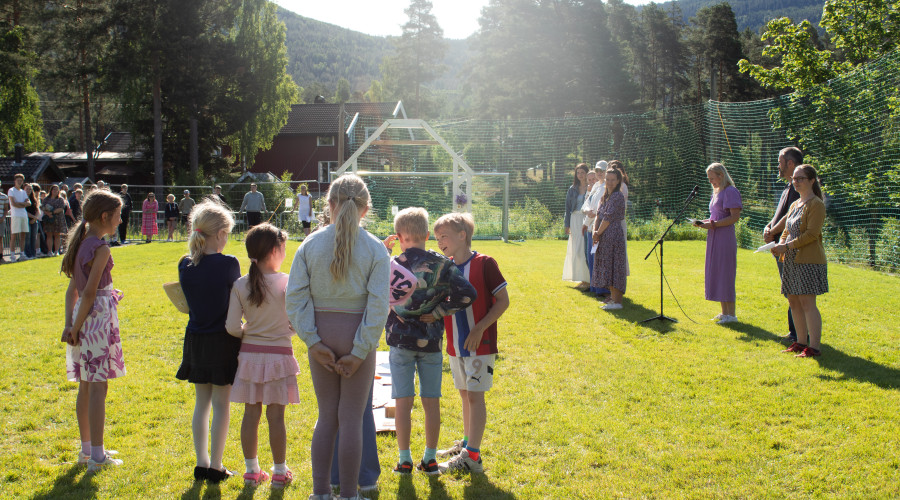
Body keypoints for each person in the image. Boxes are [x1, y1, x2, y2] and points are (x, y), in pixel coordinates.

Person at [285, 174, 389, 500]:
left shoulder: (309, 245)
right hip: (358, 337)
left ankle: (319, 493)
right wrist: (360, 350)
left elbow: (295, 299)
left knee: (327, 416)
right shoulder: (375, 249)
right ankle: (348, 495)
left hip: (323, 339)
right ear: (365, 208)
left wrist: (313, 342)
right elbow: (378, 305)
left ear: (328, 205)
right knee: (351, 419)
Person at [383, 207, 476, 476]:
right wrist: (438, 312)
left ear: (399, 236)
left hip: (399, 342)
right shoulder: (443, 264)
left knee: (403, 400)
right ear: (426, 234)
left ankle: (404, 460)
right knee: (431, 400)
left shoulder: (392, 263)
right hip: (431, 342)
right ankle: (430, 459)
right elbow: (468, 294)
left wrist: (383, 250)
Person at [432, 212, 509, 474]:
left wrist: (479, 328)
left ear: (462, 235)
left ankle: (472, 457)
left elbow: (503, 301)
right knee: (465, 395)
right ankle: (466, 443)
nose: (439, 241)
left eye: (444, 236)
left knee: (475, 397)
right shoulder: (445, 266)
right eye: (437, 237)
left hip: (480, 344)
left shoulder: (485, 263)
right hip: (455, 343)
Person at [225, 224, 298, 488]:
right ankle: (279, 472)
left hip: (249, 358)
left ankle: (251, 472)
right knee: (276, 417)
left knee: (250, 414)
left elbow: (232, 327)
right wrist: (286, 331)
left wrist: (250, 331)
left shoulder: (240, 284)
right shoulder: (288, 281)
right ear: (275, 251)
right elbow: (298, 322)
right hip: (280, 357)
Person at [59, 189, 126, 472]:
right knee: (99, 386)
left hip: (82, 319)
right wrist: (75, 326)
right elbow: (87, 293)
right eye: (118, 215)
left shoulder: (82, 244)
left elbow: (71, 293)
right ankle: (97, 457)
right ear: (105, 217)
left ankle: (88, 450)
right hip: (94, 321)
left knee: (87, 385)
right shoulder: (100, 248)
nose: (121, 220)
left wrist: (70, 325)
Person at [176, 200, 241, 483]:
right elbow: (239, 301)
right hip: (222, 340)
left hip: (196, 339)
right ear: (221, 234)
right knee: (221, 404)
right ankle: (216, 465)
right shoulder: (229, 263)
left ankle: (202, 463)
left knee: (201, 403)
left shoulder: (184, 264)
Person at [772, 164, 828, 358]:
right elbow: (786, 229)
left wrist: (786, 246)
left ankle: (814, 347)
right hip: (791, 259)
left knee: (807, 302)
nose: (795, 182)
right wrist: (779, 243)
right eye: (794, 179)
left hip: (809, 260)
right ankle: (800, 342)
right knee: (793, 301)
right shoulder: (796, 204)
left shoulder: (816, 204)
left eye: (800, 178)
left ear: (812, 180)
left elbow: (812, 234)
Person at [695, 163, 742, 324]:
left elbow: (734, 217)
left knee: (725, 273)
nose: (711, 182)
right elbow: (716, 215)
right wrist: (704, 222)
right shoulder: (717, 192)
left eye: (712, 178)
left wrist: (713, 224)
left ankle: (732, 314)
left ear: (721, 176)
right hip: (714, 237)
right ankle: (724, 312)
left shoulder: (730, 191)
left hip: (725, 237)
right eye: (709, 179)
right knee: (717, 272)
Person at [763, 146, 802, 344]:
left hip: (791, 247)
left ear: (790, 163)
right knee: (790, 291)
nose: (778, 166)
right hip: (780, 247)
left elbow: (790, 217)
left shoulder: (799, 188)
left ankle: (799, 335)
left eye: (780, 162)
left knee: (795, 292)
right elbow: (779, 214)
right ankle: (795, 333)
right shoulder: (788, 187)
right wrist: (768, 227)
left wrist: (774, 231)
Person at [591, 168, 627, 310]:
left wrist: (598, 233)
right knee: (607, 265)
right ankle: (612, 299)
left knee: (615, 266)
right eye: (608, 179)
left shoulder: (617, 196)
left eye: (613, 180)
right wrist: (595, 231)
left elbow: (608, 218)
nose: (610, 182)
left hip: (613, 235)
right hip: (603, 234)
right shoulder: (605, 196)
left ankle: (617, 302)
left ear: (618, 181)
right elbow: (598, 216)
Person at [562, 163, 591, 289]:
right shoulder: (572, 188)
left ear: (587, 173)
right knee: (576, 250)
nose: (580, 175)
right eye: (578, 173)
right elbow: (567, 208)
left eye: (582, 173)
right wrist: (566, 224)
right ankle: (581, 279)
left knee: (584, 249)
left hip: (586, 219)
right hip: (574, 219)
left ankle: (588, 280)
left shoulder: (592, 187)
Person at [7, 173, 31, 262]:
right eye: (18, 180)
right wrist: (23, 204)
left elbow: (28, 203)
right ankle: (12, 255)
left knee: (23, 235)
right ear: (15, 181)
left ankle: (22, 253)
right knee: (14, 236)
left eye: (21, 181)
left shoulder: (23, 192)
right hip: (15, 215)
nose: (19, 182)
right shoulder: (11, 190)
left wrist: (20, 204)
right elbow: (13, 204)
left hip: (23, 215)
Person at [43, 184, 68, 256]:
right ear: (51, 190)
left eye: (57, 190)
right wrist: (48, 214)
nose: (55, 191)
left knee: (57, 235)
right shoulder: (46, 199)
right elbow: (43, 207)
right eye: (54, 189)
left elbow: (61, 208)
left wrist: (52, 212)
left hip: (58, 219)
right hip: (49, 219)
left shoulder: (61, 199)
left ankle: (57, 251)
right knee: (49, 235)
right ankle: (50, 251)